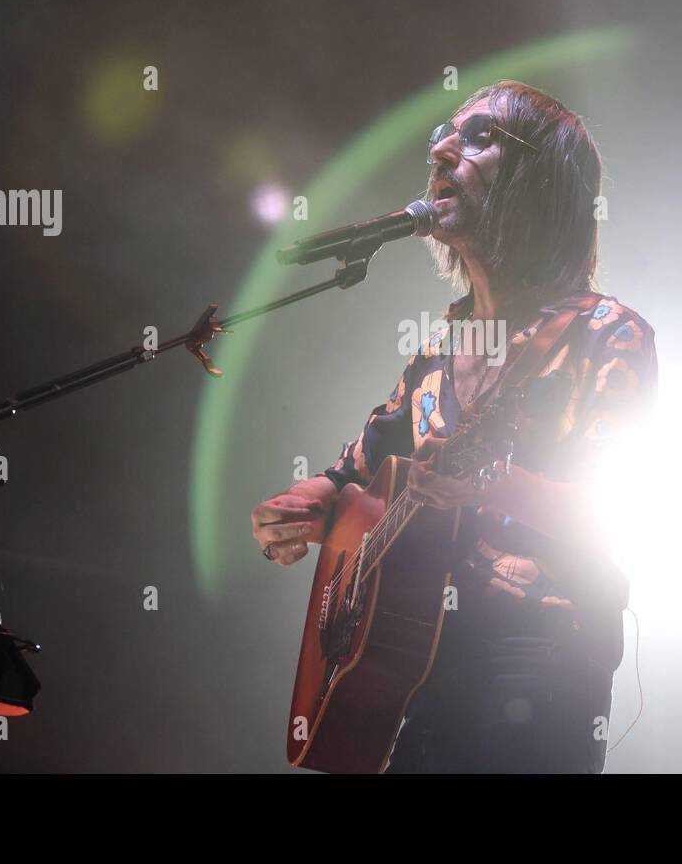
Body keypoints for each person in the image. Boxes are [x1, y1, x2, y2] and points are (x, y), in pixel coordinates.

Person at [251, 80, 658, 772]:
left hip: (538, 658)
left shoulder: (606, 335)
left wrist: (486, 489)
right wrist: (305, 509)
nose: (441, 149)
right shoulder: (439, 349)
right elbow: (355, 479)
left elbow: (620, 513)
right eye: (446, 131)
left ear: (543, 180)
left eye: (481, 137)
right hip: (421, 664)